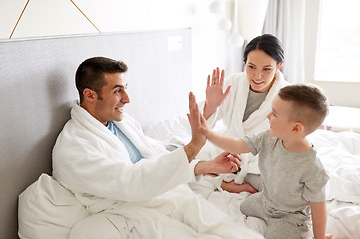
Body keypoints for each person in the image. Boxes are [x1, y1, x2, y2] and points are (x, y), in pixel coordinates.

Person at [52, 56, 263, 239]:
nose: (127, 99)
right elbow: (131, 182)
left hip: (169, 194)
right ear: (89, 95)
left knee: (231, 230)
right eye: (118, 91)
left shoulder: (120, 122)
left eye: (126, 88)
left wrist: (204, 166)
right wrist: (193, 147)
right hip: (135, 209)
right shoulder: (74, 148)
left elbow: (157, 154)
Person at [189, 84, 332, 239]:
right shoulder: (268, 138)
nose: (268, 116)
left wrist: (320, 237)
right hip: (265, 200)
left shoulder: (312, 168)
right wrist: (208, 134)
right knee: (244, 206)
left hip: (289, 216)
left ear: (296, 129)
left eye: (275, 114)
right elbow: (238, 145)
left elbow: (318, 207)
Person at [193, 34, 289, 194]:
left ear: (278, 66)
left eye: (267, 69)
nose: (258, 76)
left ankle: (225, 180)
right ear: (245, 63)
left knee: (280, 189)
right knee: (183, 160)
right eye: (251, 67)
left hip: (261, 156)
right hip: (229, 146)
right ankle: (226, 183)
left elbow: (287, 140)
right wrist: (211, 105)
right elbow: (202, 127)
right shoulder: (233, 83)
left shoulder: (287, 95)